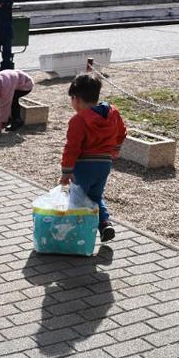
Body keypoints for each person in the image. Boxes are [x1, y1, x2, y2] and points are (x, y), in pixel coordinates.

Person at [59, 74, 128, 242]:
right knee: (96, 196)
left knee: (77, 199)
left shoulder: (79, 120)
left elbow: (72, 148)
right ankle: (105, 223)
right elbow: (122, 132)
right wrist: (115, 149)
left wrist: (66, 171)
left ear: (76, 99)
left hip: (84, 165)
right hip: (104, 164)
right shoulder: (113, 113)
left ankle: (74, 234)